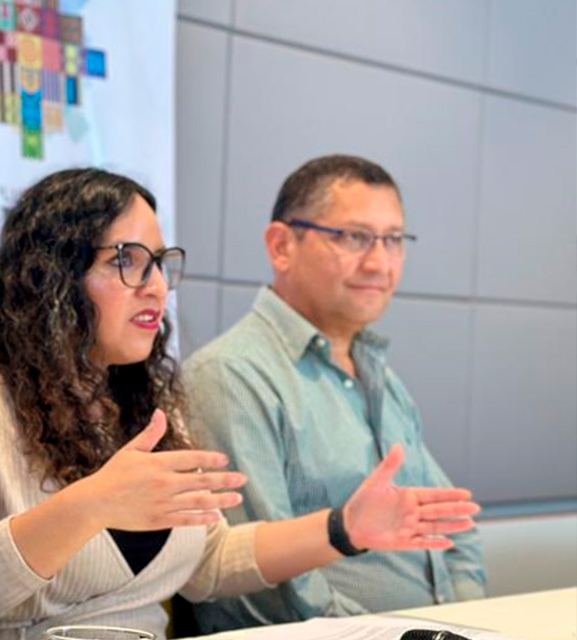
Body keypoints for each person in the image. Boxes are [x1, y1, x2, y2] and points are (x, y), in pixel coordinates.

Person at [0, 168, 480, 640]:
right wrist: (90, 504)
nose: (156, 287)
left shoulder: (138, 396)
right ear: (51, 277)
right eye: (127, 261)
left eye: (160, 264)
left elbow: (210, 562)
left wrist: (342, 529)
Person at [183, 154, 487, 631]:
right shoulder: (230, 376)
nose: (379, 263)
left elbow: (455, 525)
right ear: (281, 246)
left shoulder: (377, 373)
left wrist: (467, 619)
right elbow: (258, 587)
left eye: (393, 240)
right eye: (353, 237)